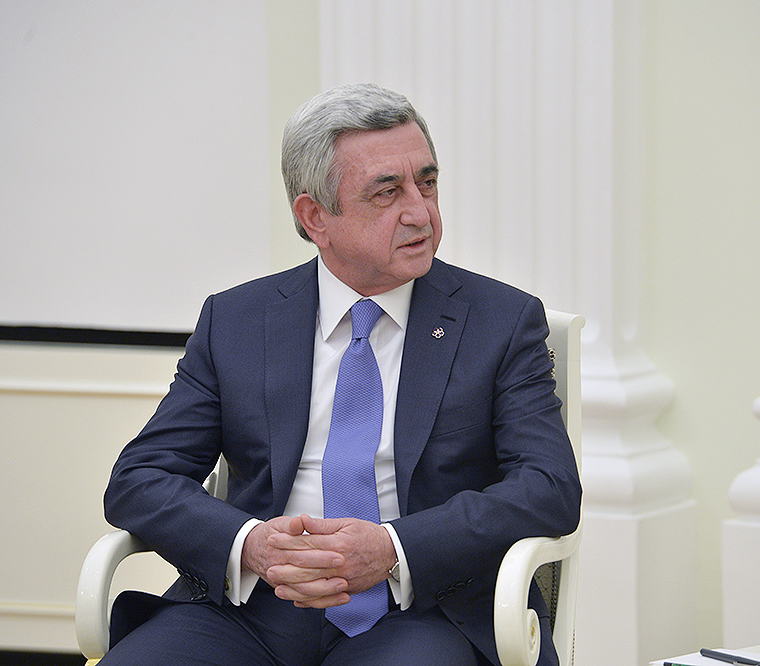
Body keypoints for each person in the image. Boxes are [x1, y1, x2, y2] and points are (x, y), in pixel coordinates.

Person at [100, 83, 581, 666]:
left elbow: (549, 487)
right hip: (252, 611)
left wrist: (393, 548)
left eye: (427, 182)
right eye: (387, 192)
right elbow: (141, 478)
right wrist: (250, 545)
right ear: (315, 217)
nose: (421, 213)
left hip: (421, 611)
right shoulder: (238, 321)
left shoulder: (499, 321)